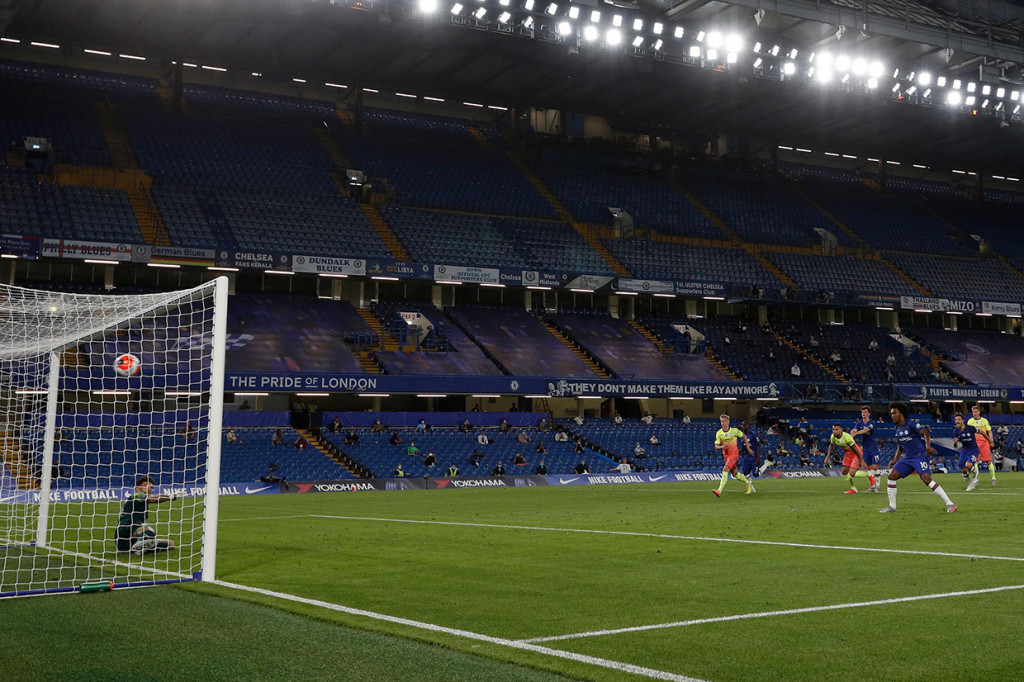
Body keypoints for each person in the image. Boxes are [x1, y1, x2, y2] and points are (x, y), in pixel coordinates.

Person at [879, 402, 956, 514]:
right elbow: (901, 445)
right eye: (891, 413)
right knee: (891, 477)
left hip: (919, 456)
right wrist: (895, 460)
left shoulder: (911, 424)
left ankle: (950, 504)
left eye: (894, 413)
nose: (892, 415)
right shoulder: (897, 428)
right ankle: (892, 506)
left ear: (901, 413)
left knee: (926, 479)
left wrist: (928, 447)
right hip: (907, 458)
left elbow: (926, 433)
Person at [115, 475, 180, 555]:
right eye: (146, 486)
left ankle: (139, 548)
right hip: (125, 531)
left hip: (124, 544)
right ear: (137, 488)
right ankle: (140, 546)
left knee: (170, 544)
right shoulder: (137, 495)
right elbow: (153, 499)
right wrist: (172, 496)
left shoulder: (138, 502)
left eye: (151, 487)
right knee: (149, 530)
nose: (149, 488)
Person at [713, 414, 755, 497]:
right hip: (726, 456)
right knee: (735, 474)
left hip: (734, 454)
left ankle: (719, 491)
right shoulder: (719, 433)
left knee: (725, 469)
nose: (723, 423)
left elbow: (744, 436)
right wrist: (722, 446)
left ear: (728, 421)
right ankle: (748, 483)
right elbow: (716, 446)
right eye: (722, 421)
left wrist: (748, 447)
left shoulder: (734, 431)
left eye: (725, 421)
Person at [827, 423, 876, 494]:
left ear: (840, 430)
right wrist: (827, 456)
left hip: (856, 453)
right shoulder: (833, 437)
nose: (834, 431)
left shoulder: (847, 437)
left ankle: (869, 474)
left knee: (852, 474)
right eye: (833, 429)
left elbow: (855, 449)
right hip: (848, 454)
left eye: (836, 429)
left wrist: (861, 460)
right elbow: (831, 445)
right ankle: (853, 489)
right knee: (844, 472)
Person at [850, 406, 882, 492]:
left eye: (865, 412)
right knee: (869, 468)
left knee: (875, 467)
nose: (863, 414)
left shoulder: (871, 423)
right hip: (866, 448)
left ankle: (878, 486)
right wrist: (852, 432)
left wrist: (856, 433)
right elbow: (854, 429)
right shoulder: (860, 423)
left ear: (869, 414)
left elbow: (866, 430)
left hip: (873, 447)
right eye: (862, 412)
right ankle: (872, 486)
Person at [967, 405, 997, 487]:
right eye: (973, 412)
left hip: (984, 443)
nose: (974, 413)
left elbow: (989, 431)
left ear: (979, 412)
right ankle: (976, 479)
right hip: (975, 443)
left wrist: (991, 440)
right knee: (975, 461)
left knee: (988, 461)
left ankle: (993, 478)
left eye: (976, 411)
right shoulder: (970, 421)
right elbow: (968, 432)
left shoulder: (984, 421)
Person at [952, 413, 980, 491]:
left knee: (969, 465)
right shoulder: (955, 431)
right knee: (964, 470)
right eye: (956, 420)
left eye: (958, 419)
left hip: (973, 449)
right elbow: (955, 446)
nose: (957, 421)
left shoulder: (970, 428)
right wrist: (955, 443)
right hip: (964, 449)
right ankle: (971, 484)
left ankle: (975, 472)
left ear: (963, 420)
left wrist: (989, 441)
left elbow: (982, 432)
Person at [740, 421, 762, 492]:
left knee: (755, 474)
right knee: (745, 473)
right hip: (746, 457)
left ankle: (766, 465)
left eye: (745, 425)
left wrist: (758, 457)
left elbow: (759, 445)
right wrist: (739, 452)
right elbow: (743, 447)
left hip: (754, 457)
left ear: (748, 426)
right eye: (743, 425)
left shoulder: (753, 434)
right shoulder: (741, 436)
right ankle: (752, 489)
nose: (743, 426)